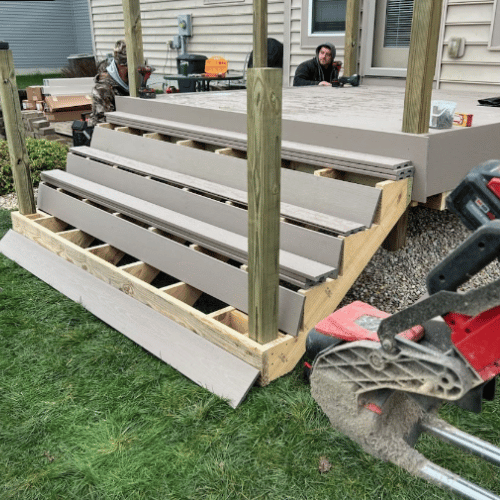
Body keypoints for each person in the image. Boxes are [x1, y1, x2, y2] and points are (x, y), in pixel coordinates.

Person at [88, 40, 130, 127]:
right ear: (120, 65)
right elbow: (104, 122)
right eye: (128, 66)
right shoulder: (103, 88)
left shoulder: (133, 82)